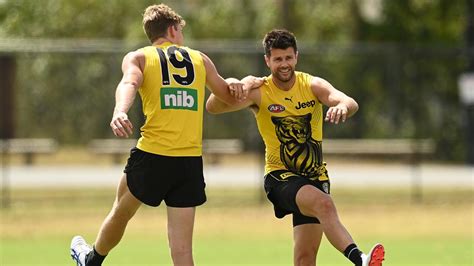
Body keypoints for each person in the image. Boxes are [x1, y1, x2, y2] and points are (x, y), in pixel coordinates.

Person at [70, 4, 247, 266]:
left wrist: (120, 111)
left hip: (152, 156)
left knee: (120, 213)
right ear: (173, 29)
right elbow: (226, 96)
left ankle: (92, 258)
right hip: (188, 161)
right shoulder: (199, 59)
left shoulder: (139, 57)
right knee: (183, 251)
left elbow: (129, 82)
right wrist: (238, 82)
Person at [206, 29, 385, 266]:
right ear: (267, 60)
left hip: (314, 177)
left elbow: (348, 101)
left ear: (296, 57)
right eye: (278, 59)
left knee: (304, 259)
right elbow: (213, 107)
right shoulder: (259, 91)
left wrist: (342, 107)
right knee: (324, 204)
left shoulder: (311, 85)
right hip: (280, 178)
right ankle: (360, 259)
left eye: (288, 58)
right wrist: (240, 83)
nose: (284, 64)